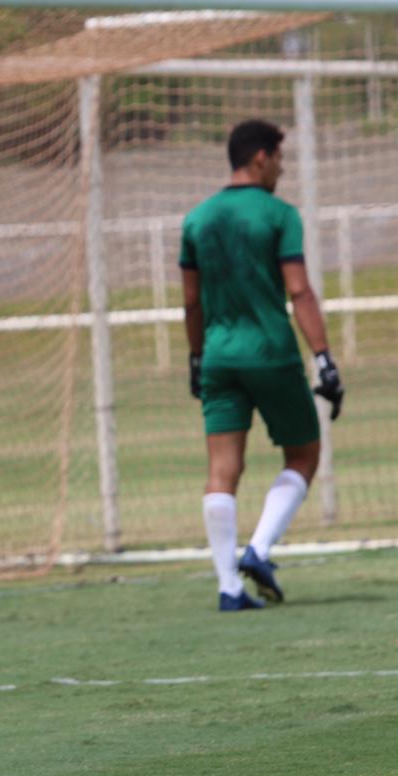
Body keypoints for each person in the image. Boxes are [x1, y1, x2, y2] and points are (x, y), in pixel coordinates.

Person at [180, 119, 345, 612]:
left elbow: (191, 302)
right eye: (279, 157)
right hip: (271, 353)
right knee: (304, 455)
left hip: (218, 356)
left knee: (222, 469)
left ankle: (229, 587)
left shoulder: (196, 220)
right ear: (259, 158)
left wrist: (196, 357)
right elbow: (299, 290)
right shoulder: (279, 215)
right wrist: (323, 358)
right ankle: (258, 549)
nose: (282, 168)